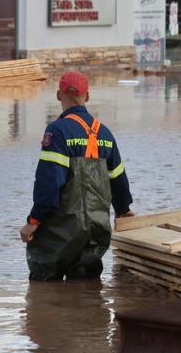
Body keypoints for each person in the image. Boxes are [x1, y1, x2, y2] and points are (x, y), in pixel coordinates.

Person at [19, 71, 133, 280]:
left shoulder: (58, 131)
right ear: (87, 96)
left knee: (44, 291)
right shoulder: (105, 134)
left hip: (61, 231)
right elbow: (118, 178)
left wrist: (33, 221)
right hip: (97, 229)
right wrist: (124, 210)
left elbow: (49, 182)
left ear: (58, 95)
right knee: (87, 288)